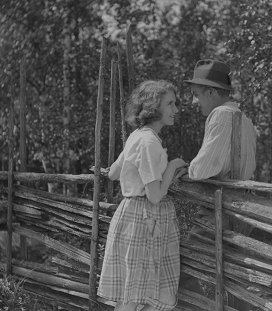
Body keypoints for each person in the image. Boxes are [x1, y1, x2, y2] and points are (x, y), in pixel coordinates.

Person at [97, 80, 188, 311]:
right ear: (153, 107)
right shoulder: (148, 142)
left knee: (140, 294)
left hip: (134, 215)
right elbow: (155, 195)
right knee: (138, 296)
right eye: (170, 104)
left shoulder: (138, 136)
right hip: (145, 218)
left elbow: (114, 173)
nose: (175, 110)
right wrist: (172, 166)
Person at [182, 59, 258, 309]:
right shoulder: (243, 118)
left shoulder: (221, 115)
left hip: (221, 208)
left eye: (197, 95)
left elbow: (202, 169)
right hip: (242, 208)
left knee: (184, 265)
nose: (195, 102)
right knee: (232, 274)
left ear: (212, 92)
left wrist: (184, 168)